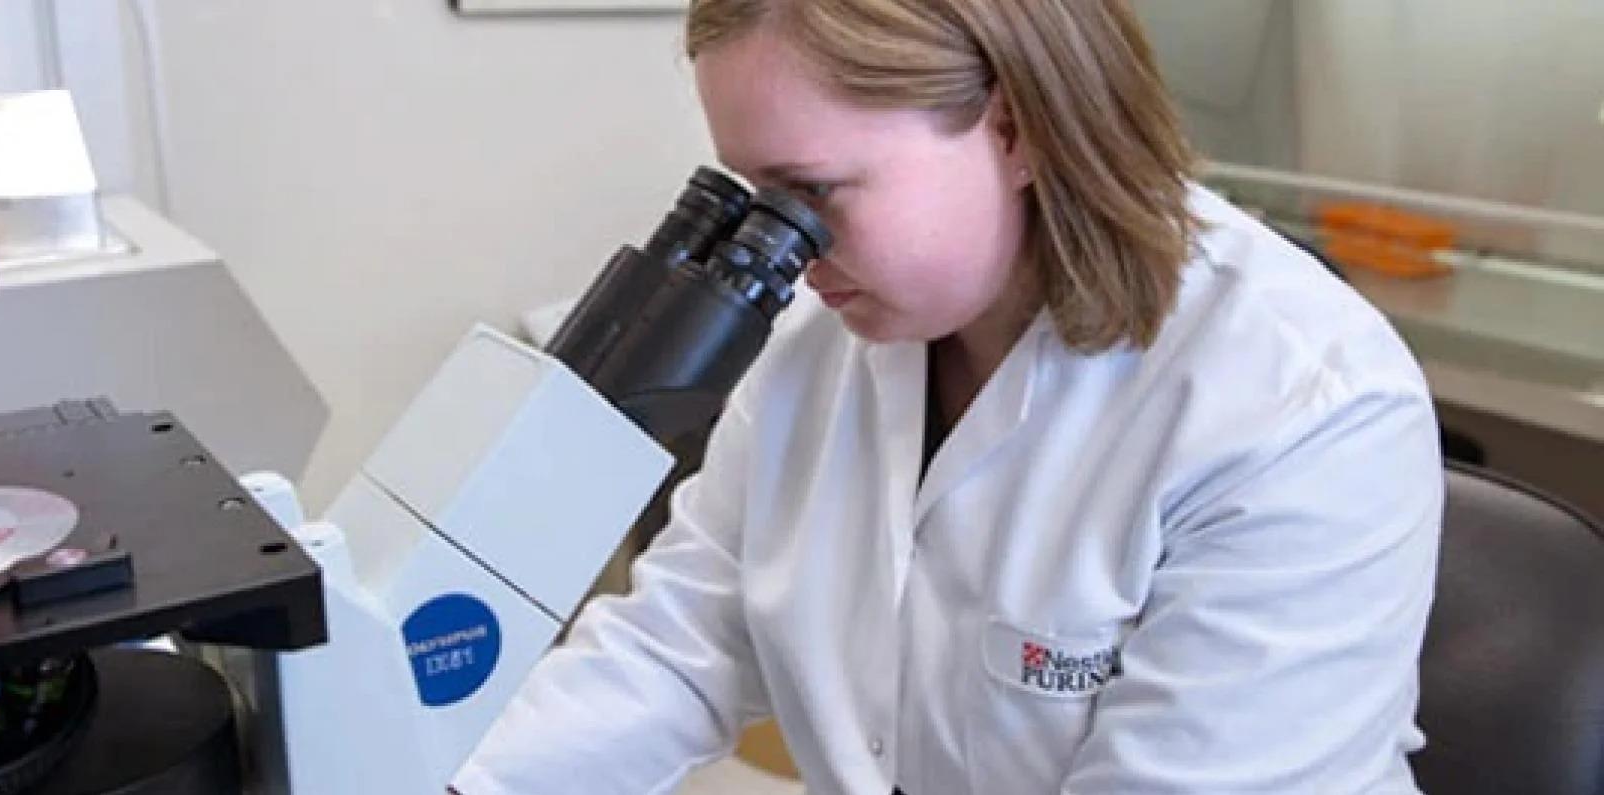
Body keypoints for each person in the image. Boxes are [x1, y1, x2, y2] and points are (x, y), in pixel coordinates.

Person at [453, 0, 1442, 791]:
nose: (790, 259)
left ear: (1013, 128)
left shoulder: (1303, 405)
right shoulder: (817, 352)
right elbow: (681, 646)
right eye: (762, 204)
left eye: (816, 195)